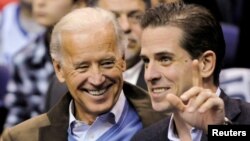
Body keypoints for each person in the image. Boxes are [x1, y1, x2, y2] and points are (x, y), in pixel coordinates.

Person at [1, 7, 165, 141]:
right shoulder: (22, 138)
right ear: (59, 70)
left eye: (106, 63)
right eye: (82, 67)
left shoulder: (169, 124)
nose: (97, 79)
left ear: (122, 60)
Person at [131, 2, 250, 141]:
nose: (149, 75)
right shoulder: (143, 139)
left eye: (164, 59)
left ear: (205, 64)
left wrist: (219, 131)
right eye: (146, 61)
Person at [45, 0, 151, 111]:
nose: (125, 27)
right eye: (114, 17)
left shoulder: (162, 81)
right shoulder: (58, 88)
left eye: (136, 16)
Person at [2, 0, 87, 128]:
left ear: (79, 4)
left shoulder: (96, 55)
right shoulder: (24, 59)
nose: (40, 2)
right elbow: (16, 120)